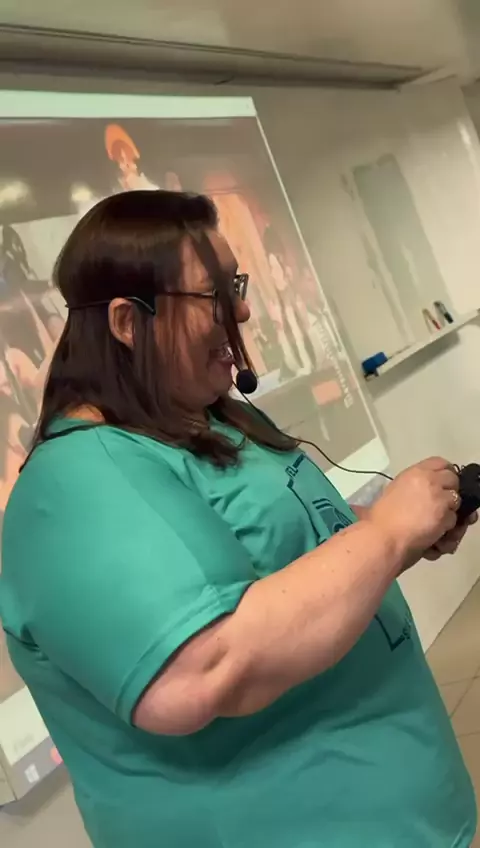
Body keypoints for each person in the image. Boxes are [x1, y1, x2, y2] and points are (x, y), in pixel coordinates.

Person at [0, 190, 477, 848]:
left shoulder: (205, 416)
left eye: (237, 284)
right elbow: (199, 670)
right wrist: (386, 536)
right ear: (127, 321)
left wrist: (399, 533)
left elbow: (280, 553)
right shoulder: (75, 484)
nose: (243, 310)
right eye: (216, 293)